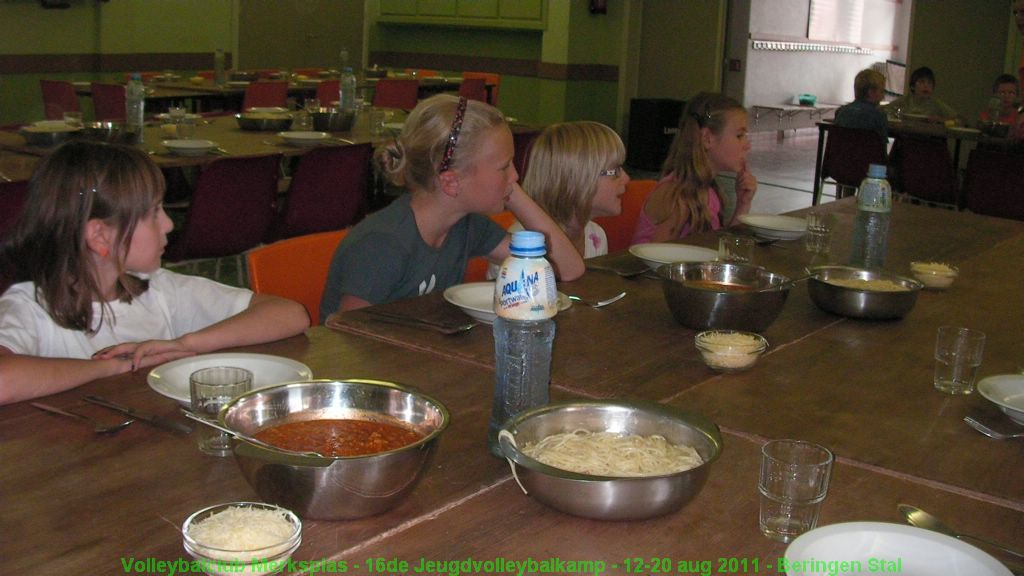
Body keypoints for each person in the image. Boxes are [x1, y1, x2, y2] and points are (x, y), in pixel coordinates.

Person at [0, 141, 310, 405]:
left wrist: (188, 344)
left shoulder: (160, 289)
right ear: (100, 236)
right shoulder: (28, 308)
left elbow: (290, 314)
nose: (169, 225)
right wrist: (112, 368)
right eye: (152, 214)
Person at [320, 95, 584, 320]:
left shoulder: (465, 226)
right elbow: (347, 334)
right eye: (505, 167)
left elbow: (565, 269)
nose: (516, 176)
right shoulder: (384, 244)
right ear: (451, 182)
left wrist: (510, 189)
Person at [631, 92, 757, 245]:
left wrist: (743, 204)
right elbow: (658, 260)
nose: (747, 145)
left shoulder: (709, 191)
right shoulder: (676, 196)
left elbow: (723, 249)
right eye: (739, 136)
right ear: (707, 139)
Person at [500, 121, 630, 261]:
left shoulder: (595, 236)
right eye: (615, 171)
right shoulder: (521, 243)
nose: (627, 178)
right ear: (577, 180)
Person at [884, 66, 958, 123]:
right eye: (922, 82)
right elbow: (885, 109)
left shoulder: (936, 104)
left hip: (928, 139)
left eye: (929, 83)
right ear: (912, 86)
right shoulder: (906, 100)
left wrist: (940, 120)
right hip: (907, 137)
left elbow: (958, 119)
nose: (926, 86)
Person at [834, 68, 889, 139]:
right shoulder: (878, 116)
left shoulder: (841, 112)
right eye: (882, 91)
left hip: (842, 149)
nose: (883, 96)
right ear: (871, 92)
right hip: (869, 150)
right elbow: (881, 144)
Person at [978, 74, 1023, 139]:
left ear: (1017, 96)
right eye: (1002, 92)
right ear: (995, 94)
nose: (1006, 96)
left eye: (1011, 93)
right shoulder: (986, 117)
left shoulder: (1020, 119)